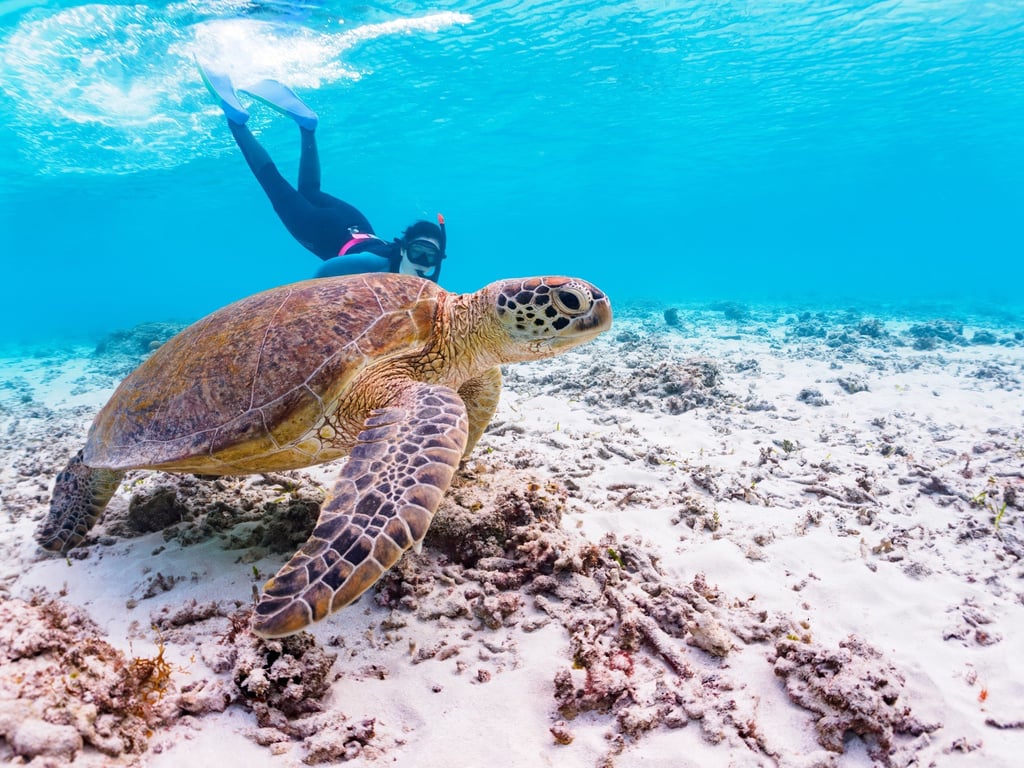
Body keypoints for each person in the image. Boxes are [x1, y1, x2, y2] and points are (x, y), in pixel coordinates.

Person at [198, 63, 447, 282]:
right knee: (272, 183)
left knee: (309, 191)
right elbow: (325, 272)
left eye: (429, 257)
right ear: (403, 249)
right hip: (320, 231)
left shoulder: (423, 275)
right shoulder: (376, 265)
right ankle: (236, 119)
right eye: (418, 252)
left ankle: (307, 127)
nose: (422, 263)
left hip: (354, 222)